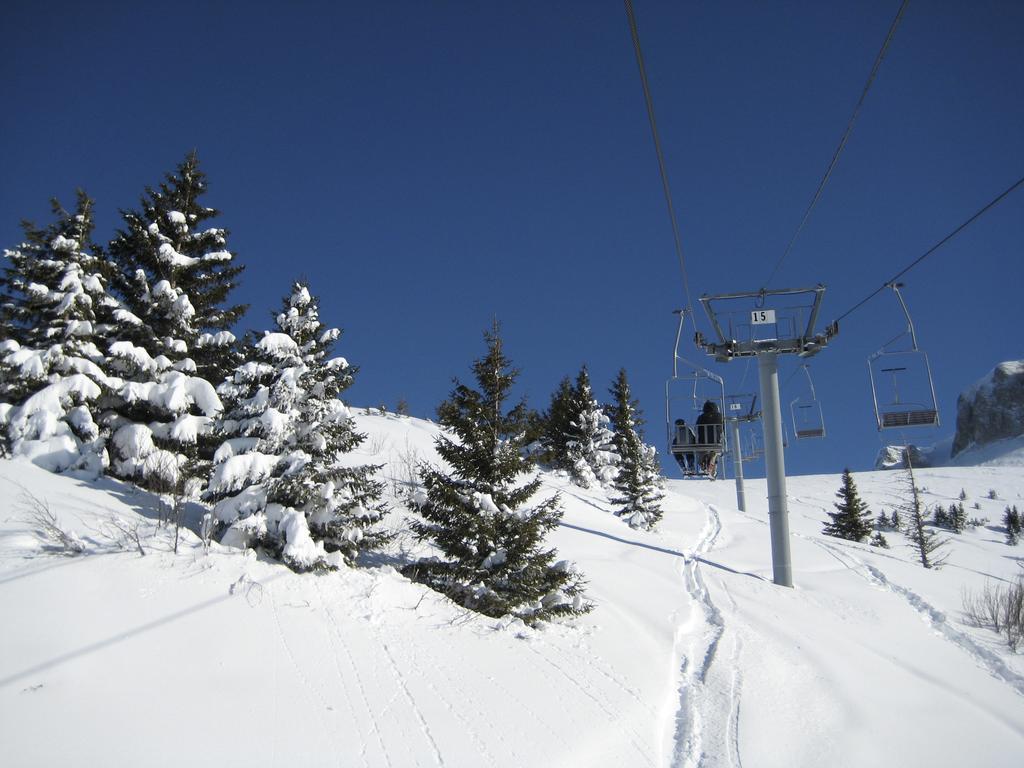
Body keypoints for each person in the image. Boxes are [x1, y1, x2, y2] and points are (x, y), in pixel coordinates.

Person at [695, 400, 724, 479]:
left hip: (703, 441)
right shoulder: (719, 416)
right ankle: (711, 464)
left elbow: (697, 428)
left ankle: (703, 463)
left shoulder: (701, 417)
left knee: (701, 451)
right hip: (715, 440)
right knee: (715, 450)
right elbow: (722, 429)